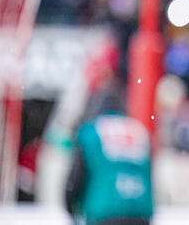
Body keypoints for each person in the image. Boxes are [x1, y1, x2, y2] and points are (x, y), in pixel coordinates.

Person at [65, 92, 154, 225]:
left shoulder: (91, 132)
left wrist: (70, 207)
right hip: (140, 212)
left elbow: (75, 177)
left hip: (103, 211)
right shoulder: (139, 132)